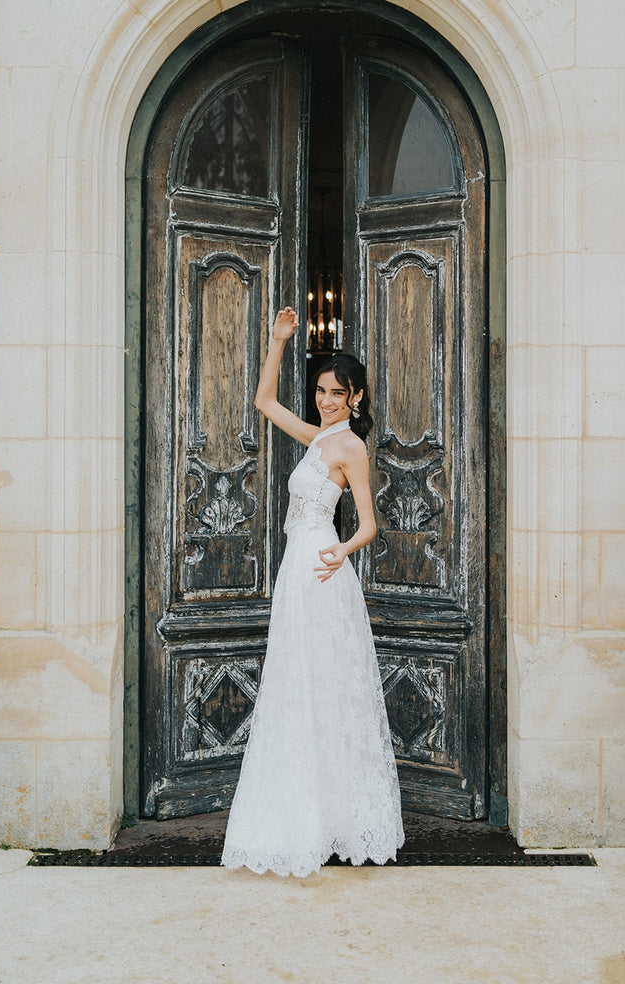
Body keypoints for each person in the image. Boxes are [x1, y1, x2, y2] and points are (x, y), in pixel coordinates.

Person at [221, 306, 404, 876]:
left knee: (326, 686)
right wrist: (278, 341)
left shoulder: (350, 447)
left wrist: (342, 552)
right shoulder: (316, 438)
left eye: (336, 392)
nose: (325, 399)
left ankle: (339, 819)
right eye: (321, 390)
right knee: (296, 683)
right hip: (295, 570)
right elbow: (265, 403)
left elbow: (370, 524)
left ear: (355, 397)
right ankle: (308, 813)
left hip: (323, 571)